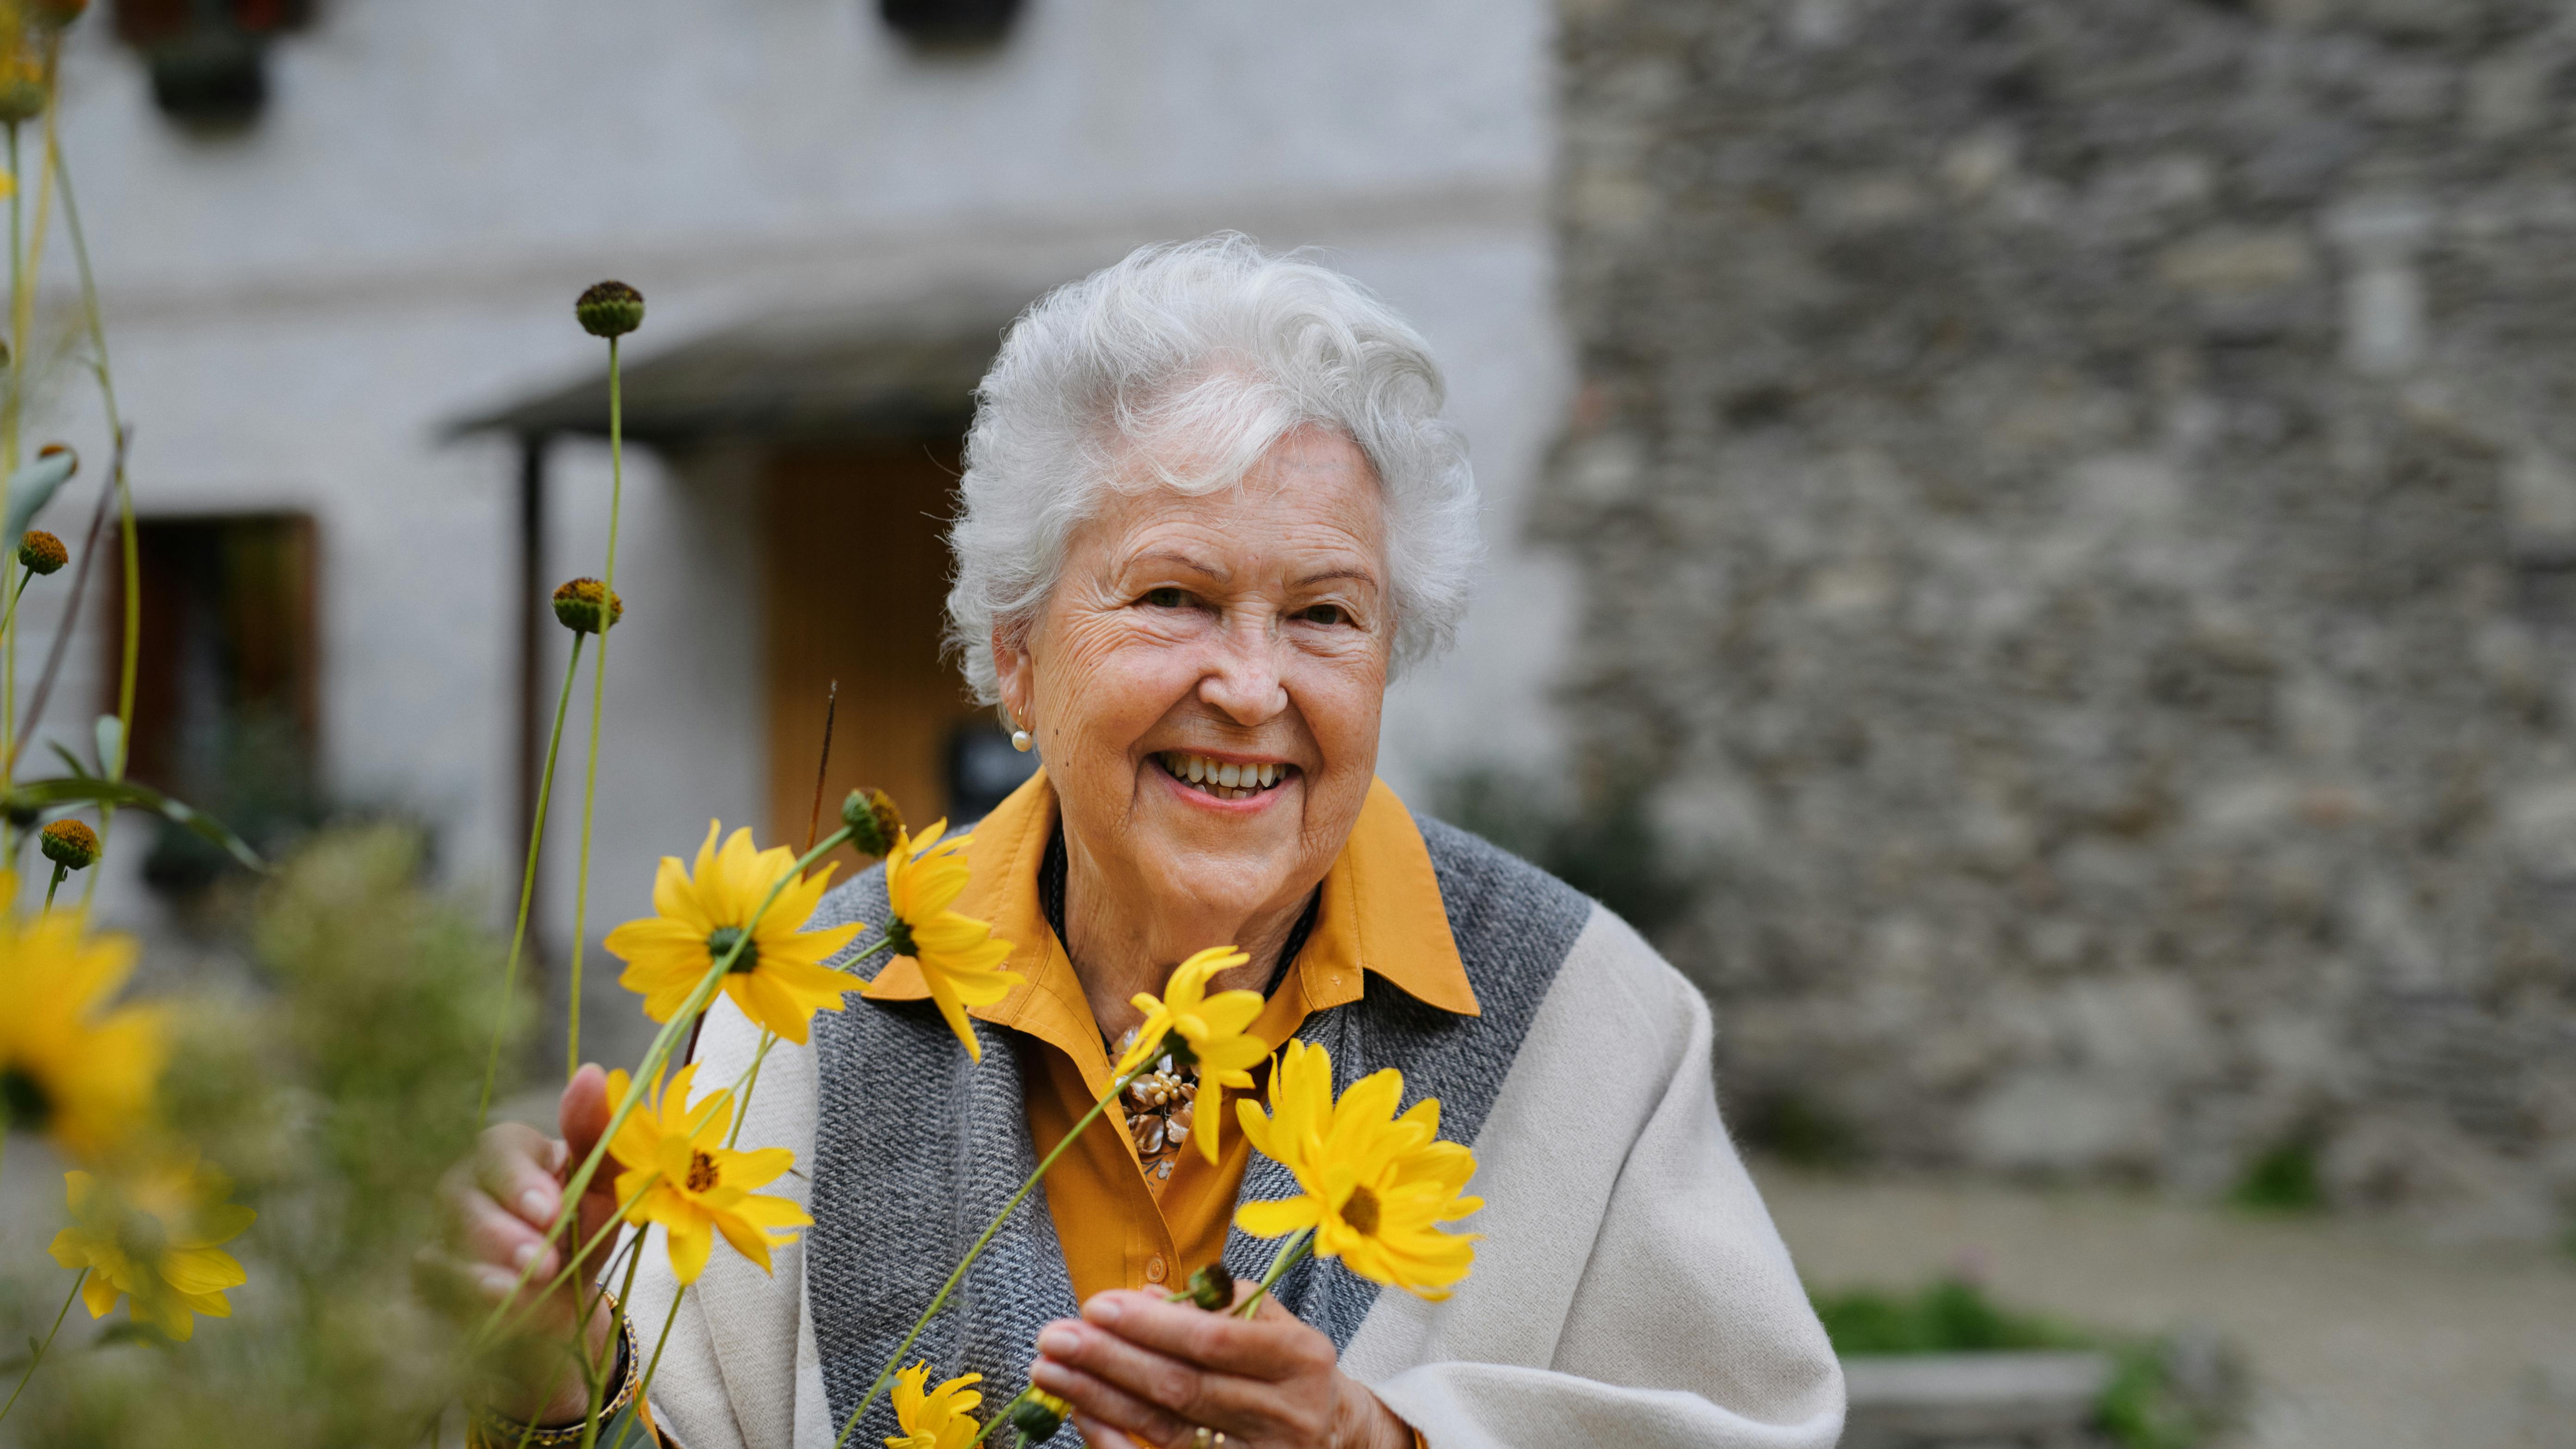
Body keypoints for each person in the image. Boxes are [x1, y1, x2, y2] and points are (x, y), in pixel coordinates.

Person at [439, 236, 1844, 1449]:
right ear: (1016, 659)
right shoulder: (799, 1008)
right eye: (1173, 596)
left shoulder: (1587, 1015)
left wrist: (1382, 1438)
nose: (1252, 684)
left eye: (1325, 614)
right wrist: (554, 1388)